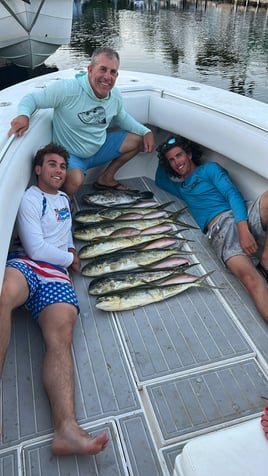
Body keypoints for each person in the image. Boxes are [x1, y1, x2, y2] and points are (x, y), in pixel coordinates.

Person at [0, 143, 109, 456]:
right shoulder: (30, 199)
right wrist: (68, 258)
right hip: (28, 263)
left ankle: (66, 429)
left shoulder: (63, 199)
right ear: (38, 169)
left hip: (57, 273)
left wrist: (72, 251)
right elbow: (35, 249)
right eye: (52, 165)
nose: (59, 171)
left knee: (62, 334)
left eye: (63, 166)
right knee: (4, 294)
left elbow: (66, 234)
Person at [8, 46, 155, 197]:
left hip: (99, 148)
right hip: (71, 155)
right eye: (102, 69)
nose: (107, 77)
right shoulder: (67, 90)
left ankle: (106, 178)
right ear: (90, 70)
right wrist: (23, 116)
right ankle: (65, 199)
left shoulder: (114, 95)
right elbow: (31, 99)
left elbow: (122, 118)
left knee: (138, 140)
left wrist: (146, 131)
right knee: (75, 181)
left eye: (112, 72)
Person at [155, 135, 268, 323]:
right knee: (251, 282)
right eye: (171, 160)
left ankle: (264, 256)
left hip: (243, 212)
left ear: (189, 154)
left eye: (179, 155)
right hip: (221, 231)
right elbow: (159, 179)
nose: (177, 162)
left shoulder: (209, 169)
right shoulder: (181, 188)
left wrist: (242, 227)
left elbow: (232, 193)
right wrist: (161, 141)